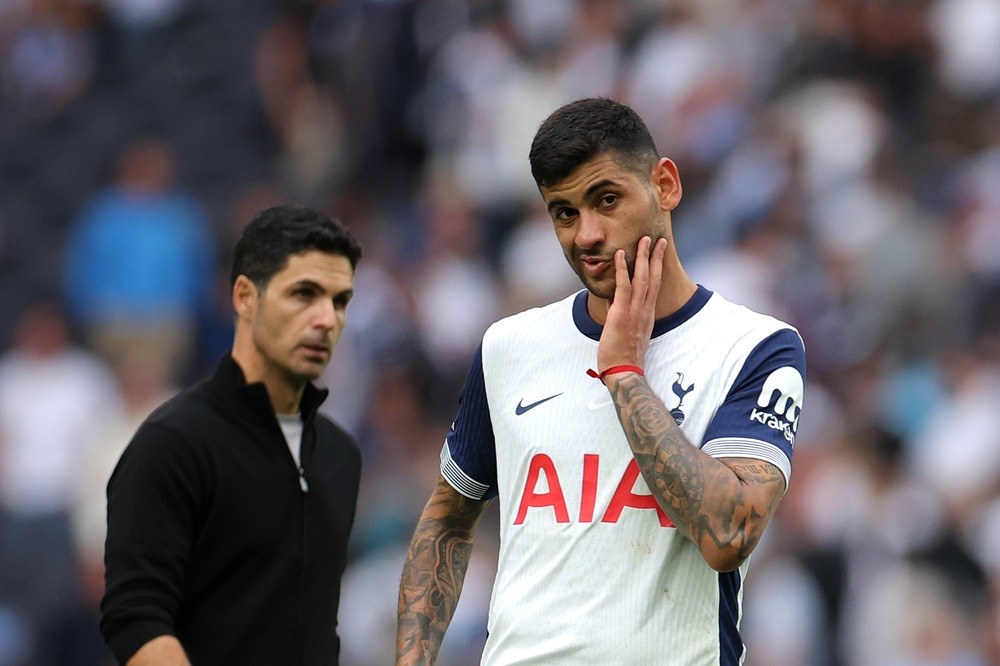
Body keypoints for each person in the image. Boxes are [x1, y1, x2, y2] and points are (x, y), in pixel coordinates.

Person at [396, 97, 806, 664]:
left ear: (665, 185)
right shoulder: (509, 347)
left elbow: (728, 536)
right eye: (564, 213)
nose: (586, 234)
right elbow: (445, 522)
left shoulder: (755, 348)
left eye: (606, 200)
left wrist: (623, 374)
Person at [101, 204, 363, 665]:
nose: (327, 319)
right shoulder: (173, 443)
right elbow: (136, 620)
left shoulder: (339, 455)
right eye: (304, 294)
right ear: (244, 296)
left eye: (340, 301)